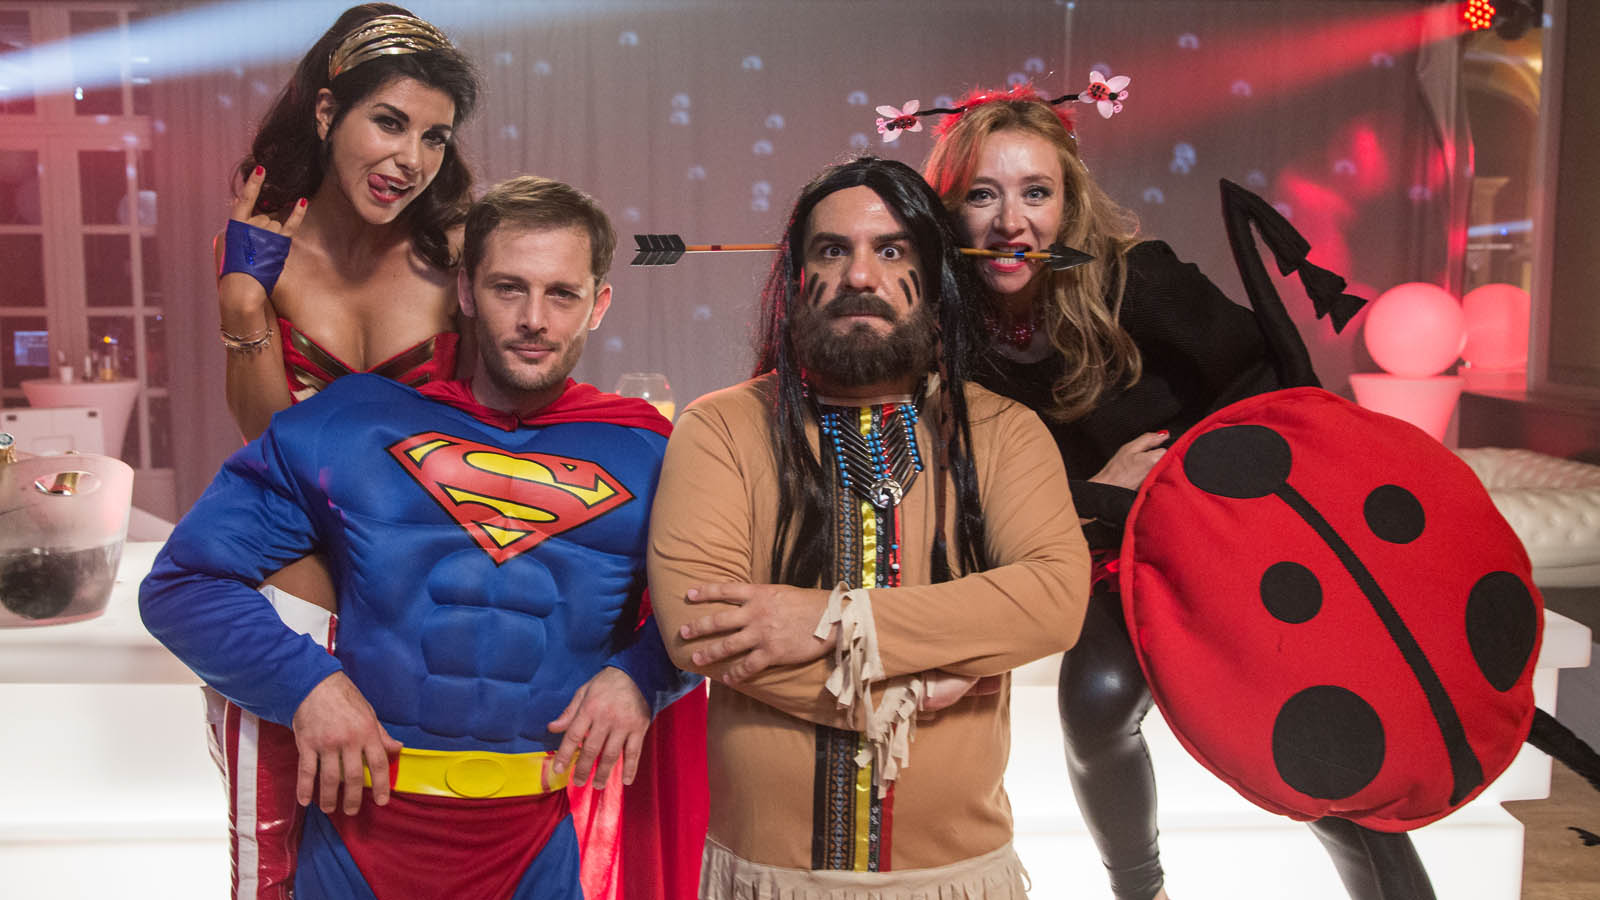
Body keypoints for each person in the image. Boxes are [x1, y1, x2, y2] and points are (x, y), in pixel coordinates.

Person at [921, 83, 1437, 900]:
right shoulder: (947, 334)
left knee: (1301, 726)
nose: (1011, 221)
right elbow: (969, 480)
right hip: (1102, 550)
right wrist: (1094, 492)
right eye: (982, 195)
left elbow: (1270, 388)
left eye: (1036, 193)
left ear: (1069, 202)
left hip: (1224, 533)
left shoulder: (1141, 282)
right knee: (1095, 703)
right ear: (947, 213)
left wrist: (1188, 476)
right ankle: (1143, 893)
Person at [143, 175, 700, 900]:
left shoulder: (653, 453)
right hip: (358, 832)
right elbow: (183, 584)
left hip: (539, 841)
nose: (534, 319)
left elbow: (713, 608)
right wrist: (306, 686)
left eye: (562, 294)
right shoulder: (354, 424)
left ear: (598, 305)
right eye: (508, 288)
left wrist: (642, 676)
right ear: (465, 291)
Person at [647, 156, 1091, 898]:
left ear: (935, 278)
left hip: (958, 880)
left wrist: (830, 619)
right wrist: (926, 680)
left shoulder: (1004, 433)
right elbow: (704, 631)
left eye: (891, 250)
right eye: (832, 250)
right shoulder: (721, 429)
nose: (860, 275)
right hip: (769, 881)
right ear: (796, 281)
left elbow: (1052, 599)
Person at [208, 7, 479, 897]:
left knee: (414, 869)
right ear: (328, 113)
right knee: (272, 870)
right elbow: (268, 443)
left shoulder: (456, 254)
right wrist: (244, 307)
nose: (411, 159)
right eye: (389, 123)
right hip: (286, 609)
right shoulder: (262, 247)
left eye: (434, 137)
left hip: (421, 615)